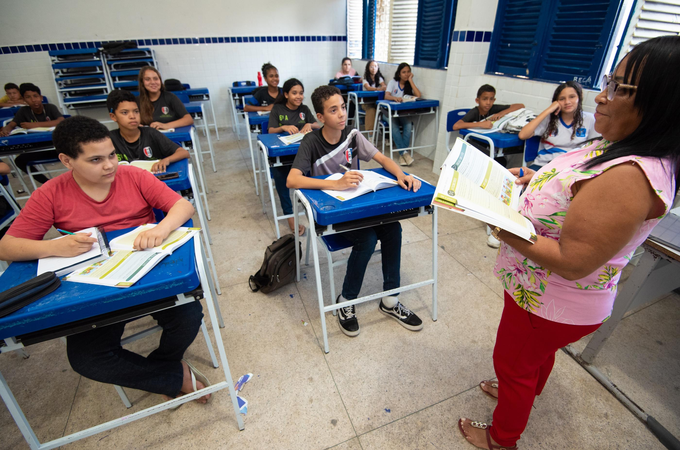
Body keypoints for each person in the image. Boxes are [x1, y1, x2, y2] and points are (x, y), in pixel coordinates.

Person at [458, 35, 680, 450]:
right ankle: (526, 391)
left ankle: (502, 437)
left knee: (513, 363)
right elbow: (576, 185)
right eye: (608, 82)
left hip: (552, 301)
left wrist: (500, 223)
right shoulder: (624, 145)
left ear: (662, 100)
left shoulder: (630, 176)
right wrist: (535, 181)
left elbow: (573, 261)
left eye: (619, 87)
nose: (603, 96)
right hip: (545, 296)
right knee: (534, 358)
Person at [0, 116, 212, 404]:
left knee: (189, 316)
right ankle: (174, 377)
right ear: (67, 160)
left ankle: (164, 368)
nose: (110, 165)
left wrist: (160, 229)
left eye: (112, 154)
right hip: (94, 288)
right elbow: (7, 246)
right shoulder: (50, 193)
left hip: (145, 274)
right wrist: (55, 247)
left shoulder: (132, 176)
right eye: (96, 159)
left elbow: (182, 205)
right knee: (87, 360)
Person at [287, 85, 424, 337]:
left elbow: (382, 159)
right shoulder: (311, 142)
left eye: (342, 107)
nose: (341, 114)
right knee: (368, 238)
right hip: (333, 215)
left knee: (394, 228)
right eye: (333, 110)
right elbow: (292, 179)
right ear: (320, 117)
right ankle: (346, 300)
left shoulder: (352, 134)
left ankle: (390, 300)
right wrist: (334, 183)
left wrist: (402, 175)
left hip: (359, 207)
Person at [268, 78, 320, 236]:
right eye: (294, 93)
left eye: (301, 93)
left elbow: (318, 124)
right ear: (286, 94)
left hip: (302, 153)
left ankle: (314, 209)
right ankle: (291, 218)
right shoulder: (278, 109)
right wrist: (282, 127)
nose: (299, 96)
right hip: (282, 154)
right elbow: (270, 130)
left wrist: (310, 125)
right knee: (283, 186)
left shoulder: (304, 108)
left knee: (313, 176)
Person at [518, 81, 599, 169]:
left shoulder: (590, 119)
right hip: (544, 165)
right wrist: (549, 110)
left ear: (579, 97)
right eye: (562, 99)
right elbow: (523, 135)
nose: (567, 102)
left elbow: (596, 148)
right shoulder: (549, 119)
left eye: (572, 97)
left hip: (571, 167)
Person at [107, 89, 190, 173]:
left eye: (136, 111)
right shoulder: (109, 140)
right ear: (113, 116)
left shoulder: (151, 133)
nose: (132, 116)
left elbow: (184, 153)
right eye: (125, 112)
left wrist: (166, 160)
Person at [0, 83, 65, 185]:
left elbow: (61, 121)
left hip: (57, 147)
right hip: (36, 147)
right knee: (20, 160)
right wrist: (5, 129)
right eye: (28, 97)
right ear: (24, 100)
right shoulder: (23, 111)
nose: (33, 100)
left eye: (35, 96)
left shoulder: (50, 107)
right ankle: (47, 184)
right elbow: (12, 124)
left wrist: (34, 125)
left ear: (41, 97)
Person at [384, 63, 422, 166]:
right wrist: (394, 98)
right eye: (403, 72)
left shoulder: (409, 84)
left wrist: (410, 80)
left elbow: (418, 95)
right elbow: (386, 96)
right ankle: (404, 153)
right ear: (399, 74)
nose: (406, 74)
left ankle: (402, 155)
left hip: (401, 113)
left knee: (408, 125)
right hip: (388, 112)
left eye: (408, 72)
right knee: (394, 126)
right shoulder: (393, 82)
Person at [137, 66, 194, 130]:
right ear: (142, 83)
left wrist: (166, 125)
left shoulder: (170, 97)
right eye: (147, 79)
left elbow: (189, 119)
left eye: (156, 78)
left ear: (160, 81)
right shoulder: (137, 102)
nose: (153, 82)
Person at [452, 84, 524, 131]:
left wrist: (501, 113)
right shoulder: (475, 112)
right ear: (477, 100)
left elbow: (521, 106)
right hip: (473, 141)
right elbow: (456, 126)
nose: (488, 103)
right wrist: (480, 124)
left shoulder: (493, 108)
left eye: (491, 99)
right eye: (485, 99)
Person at [361, 60, 386, 134]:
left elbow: (384, 86)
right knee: (371, 111)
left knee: (384, 112)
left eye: (375, 66)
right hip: (366, 102)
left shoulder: (379, 78)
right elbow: (368, 88)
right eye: (371, 67)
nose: (373, 68)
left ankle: (386, 136)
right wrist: (379, 89)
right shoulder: (365, 79)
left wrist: (383, 86)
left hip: (377, 102)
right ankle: (371, 135)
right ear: (368, 68)